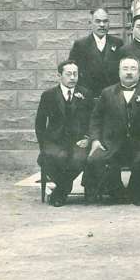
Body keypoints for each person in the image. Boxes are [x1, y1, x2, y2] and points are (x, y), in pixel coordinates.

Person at [86, 56, 140, 205]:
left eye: (133, 69)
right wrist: (95, 140)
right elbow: (95, 119)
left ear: (139, 73)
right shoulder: (107, 93)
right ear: (119, 72)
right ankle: (117, 191)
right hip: (113, 144)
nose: (129, 72)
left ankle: (136, 190)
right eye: (125, 69)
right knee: (95, 159)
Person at [34, 60, 94, 207]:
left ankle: (60, 191)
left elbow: (94, 121)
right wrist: (43, 144)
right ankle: (65, 187)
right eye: (68, 74)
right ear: (59, 75)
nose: (72, 77)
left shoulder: (86, 94)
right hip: (54, 140)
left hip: (78, 140)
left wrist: (88, 138)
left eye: (75, 74)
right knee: (49, 158)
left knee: (79, 159)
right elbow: (40, 123)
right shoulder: (48, 95)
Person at [68, 8, 123, 96]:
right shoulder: (80, 45)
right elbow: (72, 71)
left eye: (105, 21)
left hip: (113, 97)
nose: (102, 25)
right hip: (89, 97)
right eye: (98, 21)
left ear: (109, 23)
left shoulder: (118, 43)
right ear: (90, 23)